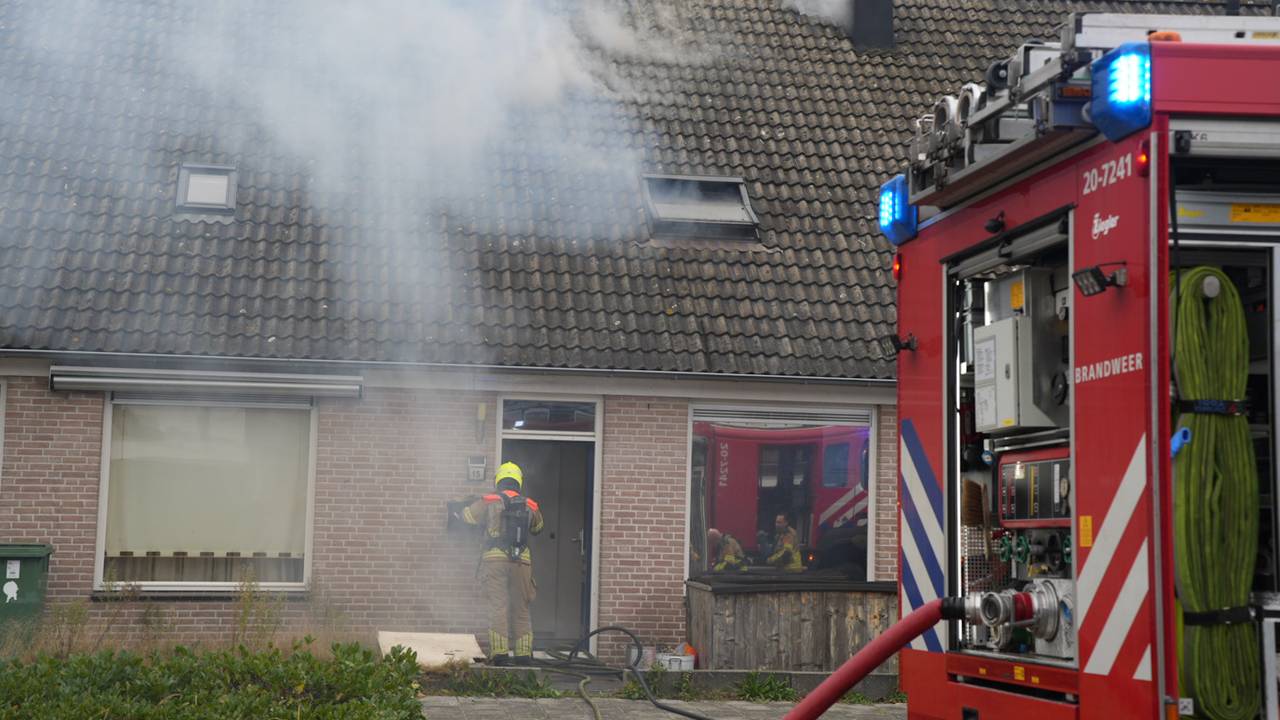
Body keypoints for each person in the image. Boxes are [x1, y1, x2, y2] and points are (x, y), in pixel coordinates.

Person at [462, 461, 544, 665]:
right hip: (522, 562)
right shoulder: (531, 504)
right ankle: (524, 656)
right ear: (518, 481)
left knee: (498, 606)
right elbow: (538, 527)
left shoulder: (489, 500)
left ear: (498, 480)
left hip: (495, 560)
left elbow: (468, 517)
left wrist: (466, 504)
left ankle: (500, 656)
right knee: (521, 607)